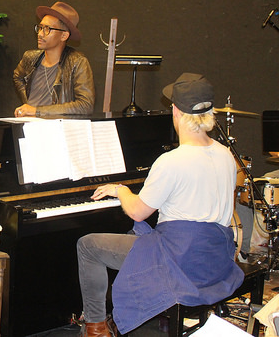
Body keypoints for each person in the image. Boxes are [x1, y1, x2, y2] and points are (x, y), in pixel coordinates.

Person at [76, 73, 244, 337]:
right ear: (210, 113)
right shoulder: (226, 156)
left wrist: (121, 190)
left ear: (175, 112)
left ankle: (96, 328)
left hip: (180, 261)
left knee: (88, 245)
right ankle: (147, 315)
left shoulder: (171, 161)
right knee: (140, 238)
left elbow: (137, 211)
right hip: (214, 259)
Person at [13, 1, 95, 117]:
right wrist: (28, 103)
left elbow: (85, 105)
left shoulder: (77, 62)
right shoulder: (30, 58)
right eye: (40, 28)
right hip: (30, 126)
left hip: (58, 129)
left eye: (47, 29)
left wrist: (37, 111)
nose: (40, 34)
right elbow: (18, 76)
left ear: (64, 35)